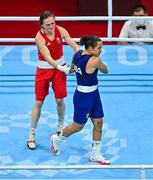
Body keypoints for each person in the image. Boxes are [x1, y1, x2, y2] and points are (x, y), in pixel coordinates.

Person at [50, 35, 110, 165]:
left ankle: (95, 154)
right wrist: (101, 63)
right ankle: (57, 138)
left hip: (94, 94)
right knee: (78, 126)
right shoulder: (95, 60)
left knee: (98, 122)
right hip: (84, 97)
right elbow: (106, 71)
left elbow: (72, 69)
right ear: (90, 47)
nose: (101, 50)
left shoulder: (76, 54)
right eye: (99, 48)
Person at [27, 10, 79, 149]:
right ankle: (31, 134)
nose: (51, 26)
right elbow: (48, 58)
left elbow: (72, 43)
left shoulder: (60, 30)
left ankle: (60, 127)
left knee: (60, 100)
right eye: (48, 25)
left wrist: (76, 51)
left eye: (53, 23)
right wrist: (62, 68)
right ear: (42, 26)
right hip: (44, 70)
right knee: (39, 102)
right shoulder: (39, 37)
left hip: (59, 69)